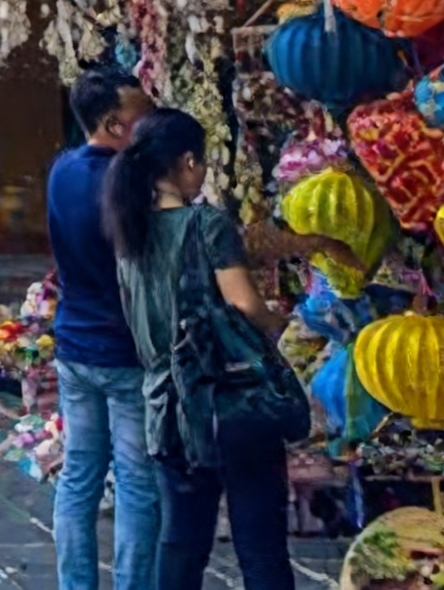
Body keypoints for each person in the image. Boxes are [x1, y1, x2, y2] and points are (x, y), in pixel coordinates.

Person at [104, 109, 296, 590]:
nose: (204, 170)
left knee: (182, 541)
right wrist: (280, 320)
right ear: (188, 161)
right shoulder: (206, 224)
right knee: (260, 541)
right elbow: (245, 304)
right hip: (228, 403)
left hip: (166, 406)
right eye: (203, 161)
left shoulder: (130, 228)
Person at [44, 63, 158, 590]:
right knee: (137, 482)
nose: (149, 123)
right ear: (115, 124)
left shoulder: (61, 170)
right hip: (125, 351)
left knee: (79, 477)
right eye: (142, 116)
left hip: (74, 345)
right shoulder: (126, 184)